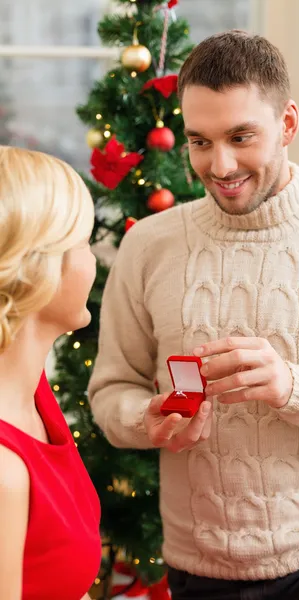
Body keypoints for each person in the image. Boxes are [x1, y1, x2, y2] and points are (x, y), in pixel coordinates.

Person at [88, 30, 299, 600]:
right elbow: (111, 393)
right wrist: (147, 419)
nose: (220, 164)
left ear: (288, 124)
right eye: (199, 141)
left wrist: (293, 389)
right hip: (198, 568)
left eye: (240, 136)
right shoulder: (149, 246)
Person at [0, 146, 101, 600]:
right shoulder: (4, 471)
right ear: (39, 269)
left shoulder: (31, 390)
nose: (93, 260)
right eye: (83, 242)